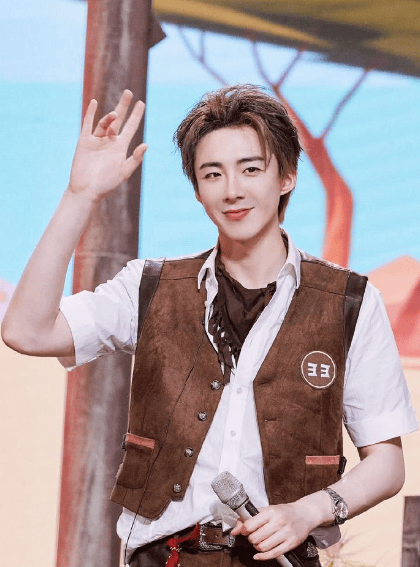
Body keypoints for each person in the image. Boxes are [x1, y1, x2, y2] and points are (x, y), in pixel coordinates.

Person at [2, 85, 417, 567]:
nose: (232, 190)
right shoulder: (149, 287)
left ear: (287, 176)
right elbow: (27, 331)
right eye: (212, 174)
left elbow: (387, 463)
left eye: (250, 169)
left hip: (283, 558)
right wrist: (81, 195)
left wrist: (309, 511)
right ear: (198, 191)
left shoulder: (350, 302)